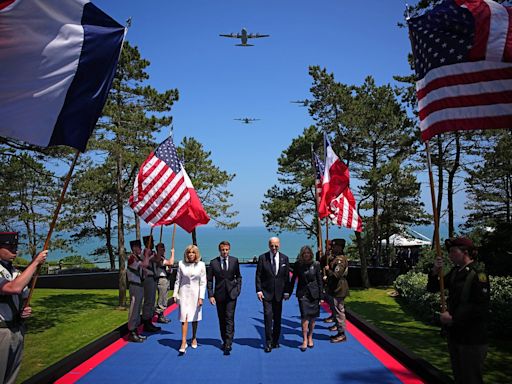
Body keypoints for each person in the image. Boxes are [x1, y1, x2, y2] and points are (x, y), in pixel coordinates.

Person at [427, 237, 490, 384]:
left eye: (453, 251)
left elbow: (479, 307)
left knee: (471, 378)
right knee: (459, 377)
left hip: (472, 338)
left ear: (465, 252)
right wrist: (435, 271)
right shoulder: (456, 272)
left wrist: (453, 318)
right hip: (456, 335)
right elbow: (433, 288)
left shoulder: (477, 275)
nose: (450, 255)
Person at [0, 232, 47, 384]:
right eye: (10, 246)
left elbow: (21, 295)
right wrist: (35, 262)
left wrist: (24, 310)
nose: (15, 251)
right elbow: (13, 288)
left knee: (11, 376)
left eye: (16, 246)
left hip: (17, 329)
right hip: (1, 332)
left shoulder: (14, 271)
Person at [255, 236, 290, 352]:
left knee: (278, 319)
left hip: (279, 294)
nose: (274, 248)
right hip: (266, 293)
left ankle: (276, 341)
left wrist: (286, 291)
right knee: (268, 317)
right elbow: (258, 276)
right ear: (268, 245)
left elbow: (286, 277)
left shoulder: (285, 258)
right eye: (272, 245)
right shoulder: (262, 258)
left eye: (276, 245)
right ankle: (268, 342)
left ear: (279, 245)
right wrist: (259, 290)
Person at [207, 241, 242, 355]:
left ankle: (228, 342)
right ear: (219, 250)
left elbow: (239, 276)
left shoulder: (234, 261)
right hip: (219, 295)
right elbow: (210, 280)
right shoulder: (213, 263)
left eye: (226, 249)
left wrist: (237, 290)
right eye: (223, 250)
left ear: (229, 249)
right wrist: (211, 295)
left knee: (229, 317)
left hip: (232, 294)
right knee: (221, 318)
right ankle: (224, 339)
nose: (225, 252)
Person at [288, 245, 322, 351]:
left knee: (312, 318)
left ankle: (310, 337)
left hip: (314, 294)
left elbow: (319, 281)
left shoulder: (316, 264)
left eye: (308, 253)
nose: (306, 254)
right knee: (304, 317)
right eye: (304, 253)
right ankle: (304, 340)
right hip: (303, 294)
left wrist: (321, 296)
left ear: (311, 254)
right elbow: (293, 279)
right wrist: (288, 292)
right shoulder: (298, 265)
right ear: (302, 254)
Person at [173, 244, 206, 354]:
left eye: (193, 252)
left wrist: (201, 297)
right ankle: (183, 341)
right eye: (189, 252)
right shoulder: (181, 264)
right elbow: (177, 280)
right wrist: (174, 294)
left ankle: (194, 337)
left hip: (196, 294)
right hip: (183, 294)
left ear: (196, 254)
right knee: (184, 317)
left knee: (195, 318)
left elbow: (203, 282)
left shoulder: (201, 265)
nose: (191, 254)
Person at [324, 238, 349, 343]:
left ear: (340, 247)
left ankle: (341, 333)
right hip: (333, 287)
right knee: (335, 309)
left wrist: (328, 270)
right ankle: (337, 326)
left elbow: (336, 275)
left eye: (334, 246)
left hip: (339, 287)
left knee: (339, 311)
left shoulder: (340, 260)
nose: (332, 248)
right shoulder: (334, 258)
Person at [126, 239, 147, 342]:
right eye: (139, 247)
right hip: (135, 286)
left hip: (139, 285)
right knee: (134, 308)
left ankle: (135, 330)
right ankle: (131, 331)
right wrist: (147, 255)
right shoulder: (132, 258)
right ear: (134, 248)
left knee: (138, 308)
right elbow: (144, 264)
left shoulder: (137, 258)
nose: (141, 249)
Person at [141, 235, 161, 333]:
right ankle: (146, 321)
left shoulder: (151, 252)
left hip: (153, 277)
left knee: (152, 300)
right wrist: (152, 255)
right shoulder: (146, 252)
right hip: (148, 277)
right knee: (148, 300)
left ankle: (149, 320)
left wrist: (159, 252)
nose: (153, 243)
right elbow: (151, 261)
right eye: (151, 242)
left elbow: (158, 261)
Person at [155, 243, 174, 324]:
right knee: (162, 297)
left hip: (165, 278)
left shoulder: (162, 258)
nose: (164, 250)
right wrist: (172, 253)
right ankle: (160, 315)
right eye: (161, 248)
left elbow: (169, 266)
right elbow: (171, 262)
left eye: (164, 248)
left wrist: (169, 269)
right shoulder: (158, 258)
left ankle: (162, 314)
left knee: (165, 297)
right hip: (161, 279)